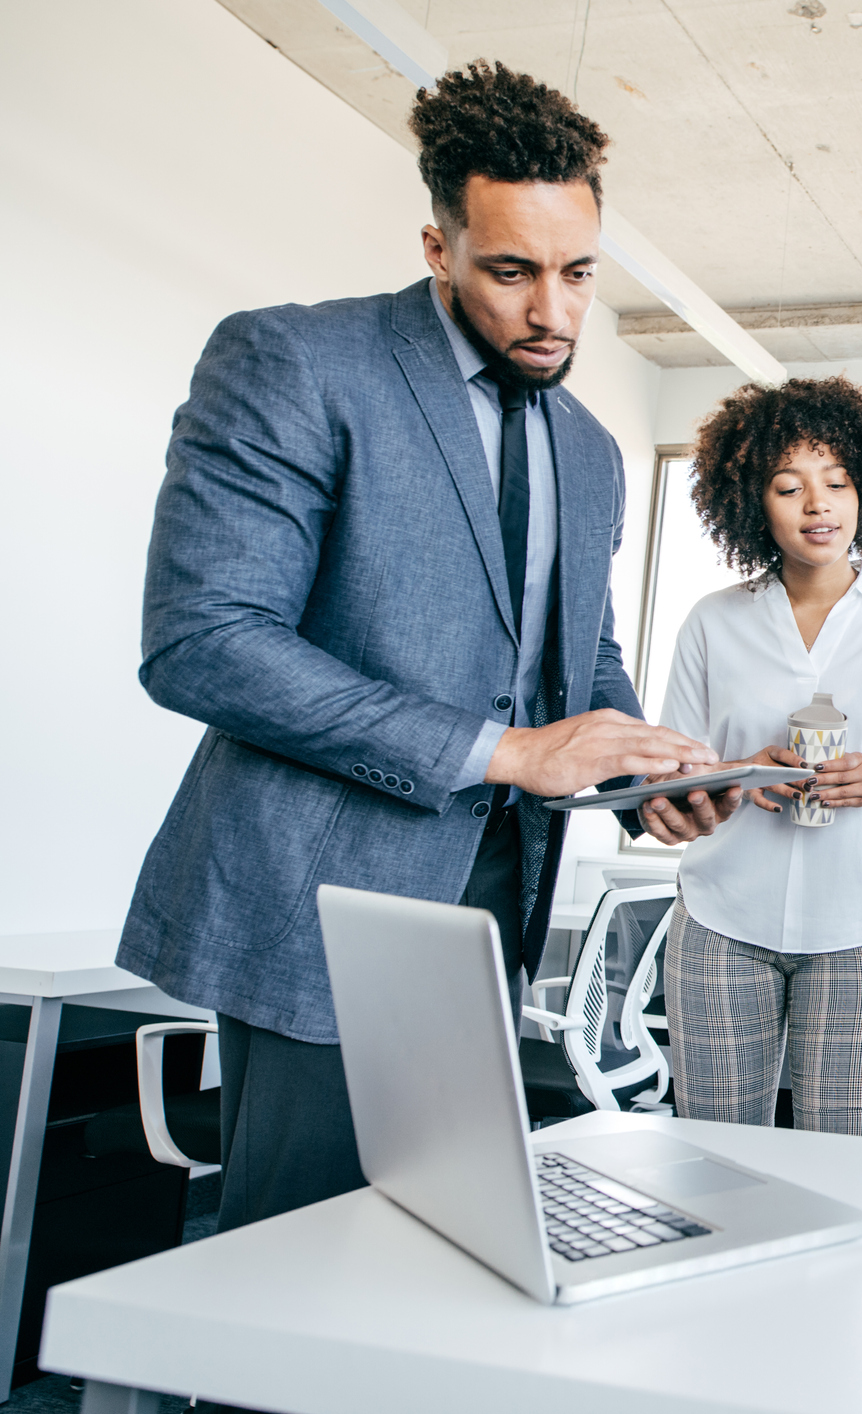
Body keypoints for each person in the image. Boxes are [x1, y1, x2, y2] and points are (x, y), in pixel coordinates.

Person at [118, 62, 737, 1233]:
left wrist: (642, 768)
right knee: (296, 1262)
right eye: (511, 271)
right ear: (438, 247)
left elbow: (579, 663)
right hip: (318, 905)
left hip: (495, 912)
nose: (551, 311)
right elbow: (202, 639)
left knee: (436, 1241)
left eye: (577, 272)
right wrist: (503, 750)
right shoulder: (297, 362)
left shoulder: (594, 449)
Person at [652, 377, 862, 1138]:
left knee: (854, 1167)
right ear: (751, 503)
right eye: (789, 487)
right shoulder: (713, 621)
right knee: (715, 1160)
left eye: (836, 482)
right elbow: (674, 770)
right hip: (722, 921)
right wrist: (738, 775)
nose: (818, 504)